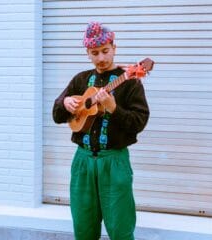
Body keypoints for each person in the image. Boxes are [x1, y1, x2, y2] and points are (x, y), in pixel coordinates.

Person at [52, 21, 150, 240]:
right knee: (83, 227)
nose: (101, 58)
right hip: (83, 161)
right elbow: (57, 115)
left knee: (120, 227)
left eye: (105, 51)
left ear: (114, 47)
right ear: (88, 53)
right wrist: (65, 101)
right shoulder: (80, 80)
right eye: (95, 53)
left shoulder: (130, 82)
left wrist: (114, 109)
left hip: (114, 162)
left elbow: (139, 122)